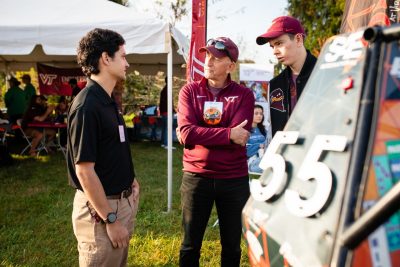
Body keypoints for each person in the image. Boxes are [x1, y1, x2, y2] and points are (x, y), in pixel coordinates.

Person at [177, 37, 255, 267]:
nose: (208, 62)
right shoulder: (189, 91)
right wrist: (227, 134)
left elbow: (240, 137)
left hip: (233, 179)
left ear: (231, 66)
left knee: (231, 246)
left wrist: (206, 133)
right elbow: (187, 133)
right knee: (190, 245)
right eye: (207, 56)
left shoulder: (244, 95)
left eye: (216, 58)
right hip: (196, 177)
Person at [67, 28, 139, 267]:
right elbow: (84, 171)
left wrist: (131, 180)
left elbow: (113, 148)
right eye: (123, 56)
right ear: (106, 59)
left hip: (120, 204)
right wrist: (110, 219)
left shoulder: (107, 99)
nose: (127, 63)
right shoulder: (87, 105)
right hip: (101, 212)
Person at [256, 16, 317, 137]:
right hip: (284, 154)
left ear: (298, 39)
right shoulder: (274, 84)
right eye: (272, 46)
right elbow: (272, 128)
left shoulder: (325, 74)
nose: (275, 51)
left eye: (279, 43)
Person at [246, 104, 270, 174]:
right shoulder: (245, 130)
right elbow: (246, 152)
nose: (259, 116)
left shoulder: (263, 130)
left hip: (264, 158)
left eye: (261, 114)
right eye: (256, 113)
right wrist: (259, 145)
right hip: (252, 162)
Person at [159, 76, 175, 149]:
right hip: (167, 111)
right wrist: (173, 110)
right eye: (172, 80)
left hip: (164, 111)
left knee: (165, 128)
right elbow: (168, 102)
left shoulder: (164, 89)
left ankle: (163, 143)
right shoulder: (167, 89)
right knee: (168, 128)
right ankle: (166, 144)